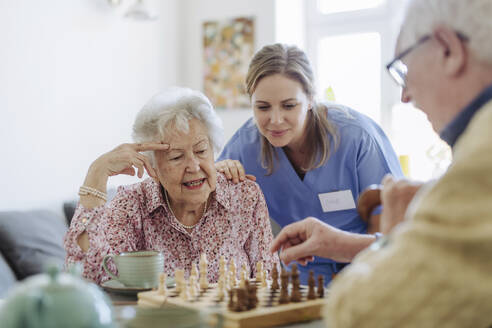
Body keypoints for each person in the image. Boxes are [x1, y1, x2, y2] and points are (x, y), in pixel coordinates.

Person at [274, 0, 492, 326]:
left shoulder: (479, 159)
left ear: (448, 49)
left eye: (404, 68)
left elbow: (361, 312)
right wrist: (341, 243)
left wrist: (396, 237)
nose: (405, 96)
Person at [217, 43, 403, 284]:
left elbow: (390, 231)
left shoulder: (357, 137)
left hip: (365, 269)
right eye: (262, 107)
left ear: (311, 99)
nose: (275, 120)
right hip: (298, 275)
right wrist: (218, 175)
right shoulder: (245, 145)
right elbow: (208, 197)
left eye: (289, 105)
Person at [64, 87, 279, 285]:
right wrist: (96, 174)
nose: (194, 166)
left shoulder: (244, 196)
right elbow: (87, 280)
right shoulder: (132, 204)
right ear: (152, 166)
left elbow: (270, 279)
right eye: (176, 157)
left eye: (201, 150)